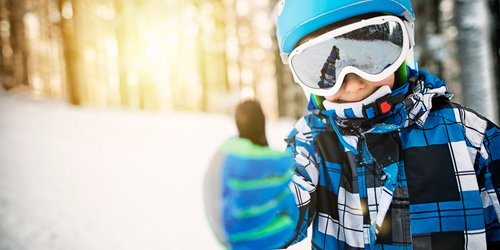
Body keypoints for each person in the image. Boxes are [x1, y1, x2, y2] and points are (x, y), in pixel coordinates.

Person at [205, 1, 500, 249]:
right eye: (326, 68)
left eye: (372, 54)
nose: (354, 81)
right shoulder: (313, 143)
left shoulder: (472, 138)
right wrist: (256, 206)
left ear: (405, 46)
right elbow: (289, 198)